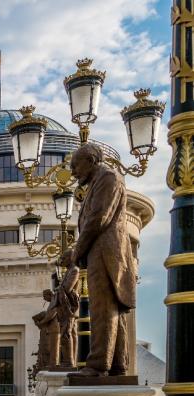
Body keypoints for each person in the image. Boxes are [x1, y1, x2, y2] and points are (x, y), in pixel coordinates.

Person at [66, 143, 135, 377]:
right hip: (101, 250)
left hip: (106, 251)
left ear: (91, 160)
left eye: (76, 166)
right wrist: (76, 251)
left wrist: (77, 251)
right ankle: (117, 364)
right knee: (111, 307)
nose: (73, 172)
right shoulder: (98, 181)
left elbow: (98, 218)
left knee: (102, 306)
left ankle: (97, 365)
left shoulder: (108, 177)